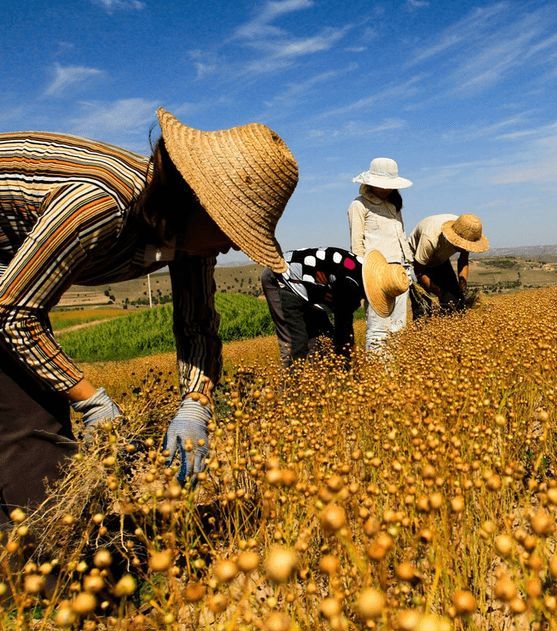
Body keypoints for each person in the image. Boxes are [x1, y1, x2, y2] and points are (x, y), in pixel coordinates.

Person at [0, 108, 298, 522]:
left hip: (11, 283)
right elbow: (13, 312)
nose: (233, 247)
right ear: (198, 202)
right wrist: (93, 402)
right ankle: (44, 568)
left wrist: (196, 404)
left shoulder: (192, 238)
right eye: (232, 230)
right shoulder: (98, 205)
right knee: (32, 432)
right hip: (9, 296)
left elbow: (197, 326)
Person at [261, 248, 409, 367]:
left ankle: (315, 387)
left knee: (323, 340)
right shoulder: (350, 285)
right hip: (281, 278)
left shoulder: (359, 270)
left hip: (311, 292)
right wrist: (351, 366)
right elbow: (343, 330)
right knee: (295, 346)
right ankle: (287, 396)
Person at [348, 157, 413, 351]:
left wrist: (408, 266)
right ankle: (376, 375)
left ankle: (393, 373)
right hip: (376, 273)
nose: (386, 189)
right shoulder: (358, 206)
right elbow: (357, 246)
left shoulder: (394, 206)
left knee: (399, 327)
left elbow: (401, 236)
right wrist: (363, 277)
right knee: (378, 328)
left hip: (399, 272)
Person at [408, 213, 488, 317]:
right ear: (455, 238)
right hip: (416, 260)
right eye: (463, 245)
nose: (465, 248)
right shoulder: (430, 238)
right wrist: (438, 291)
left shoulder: (467, 230)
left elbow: (463, 260)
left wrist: (462, 284)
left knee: (455, 300)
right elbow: (419, 270)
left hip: (439, 258)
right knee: (423, 306)